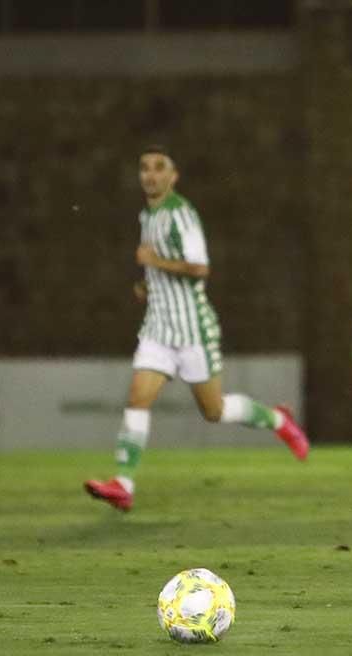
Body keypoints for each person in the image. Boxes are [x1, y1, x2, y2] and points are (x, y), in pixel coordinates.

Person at [85, 146, 309, 512]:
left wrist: (154, 261)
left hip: (192, 329)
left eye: (159, 168)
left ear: (173, 177)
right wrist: (148, 282)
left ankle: (278, 420)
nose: (150, 174)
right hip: (159, 328)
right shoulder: (148, 215)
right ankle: (123, 484)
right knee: (137, 397)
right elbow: (163, 268)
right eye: (144, 168)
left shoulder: (181, 215)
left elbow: (200, 267)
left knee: (214, 410)